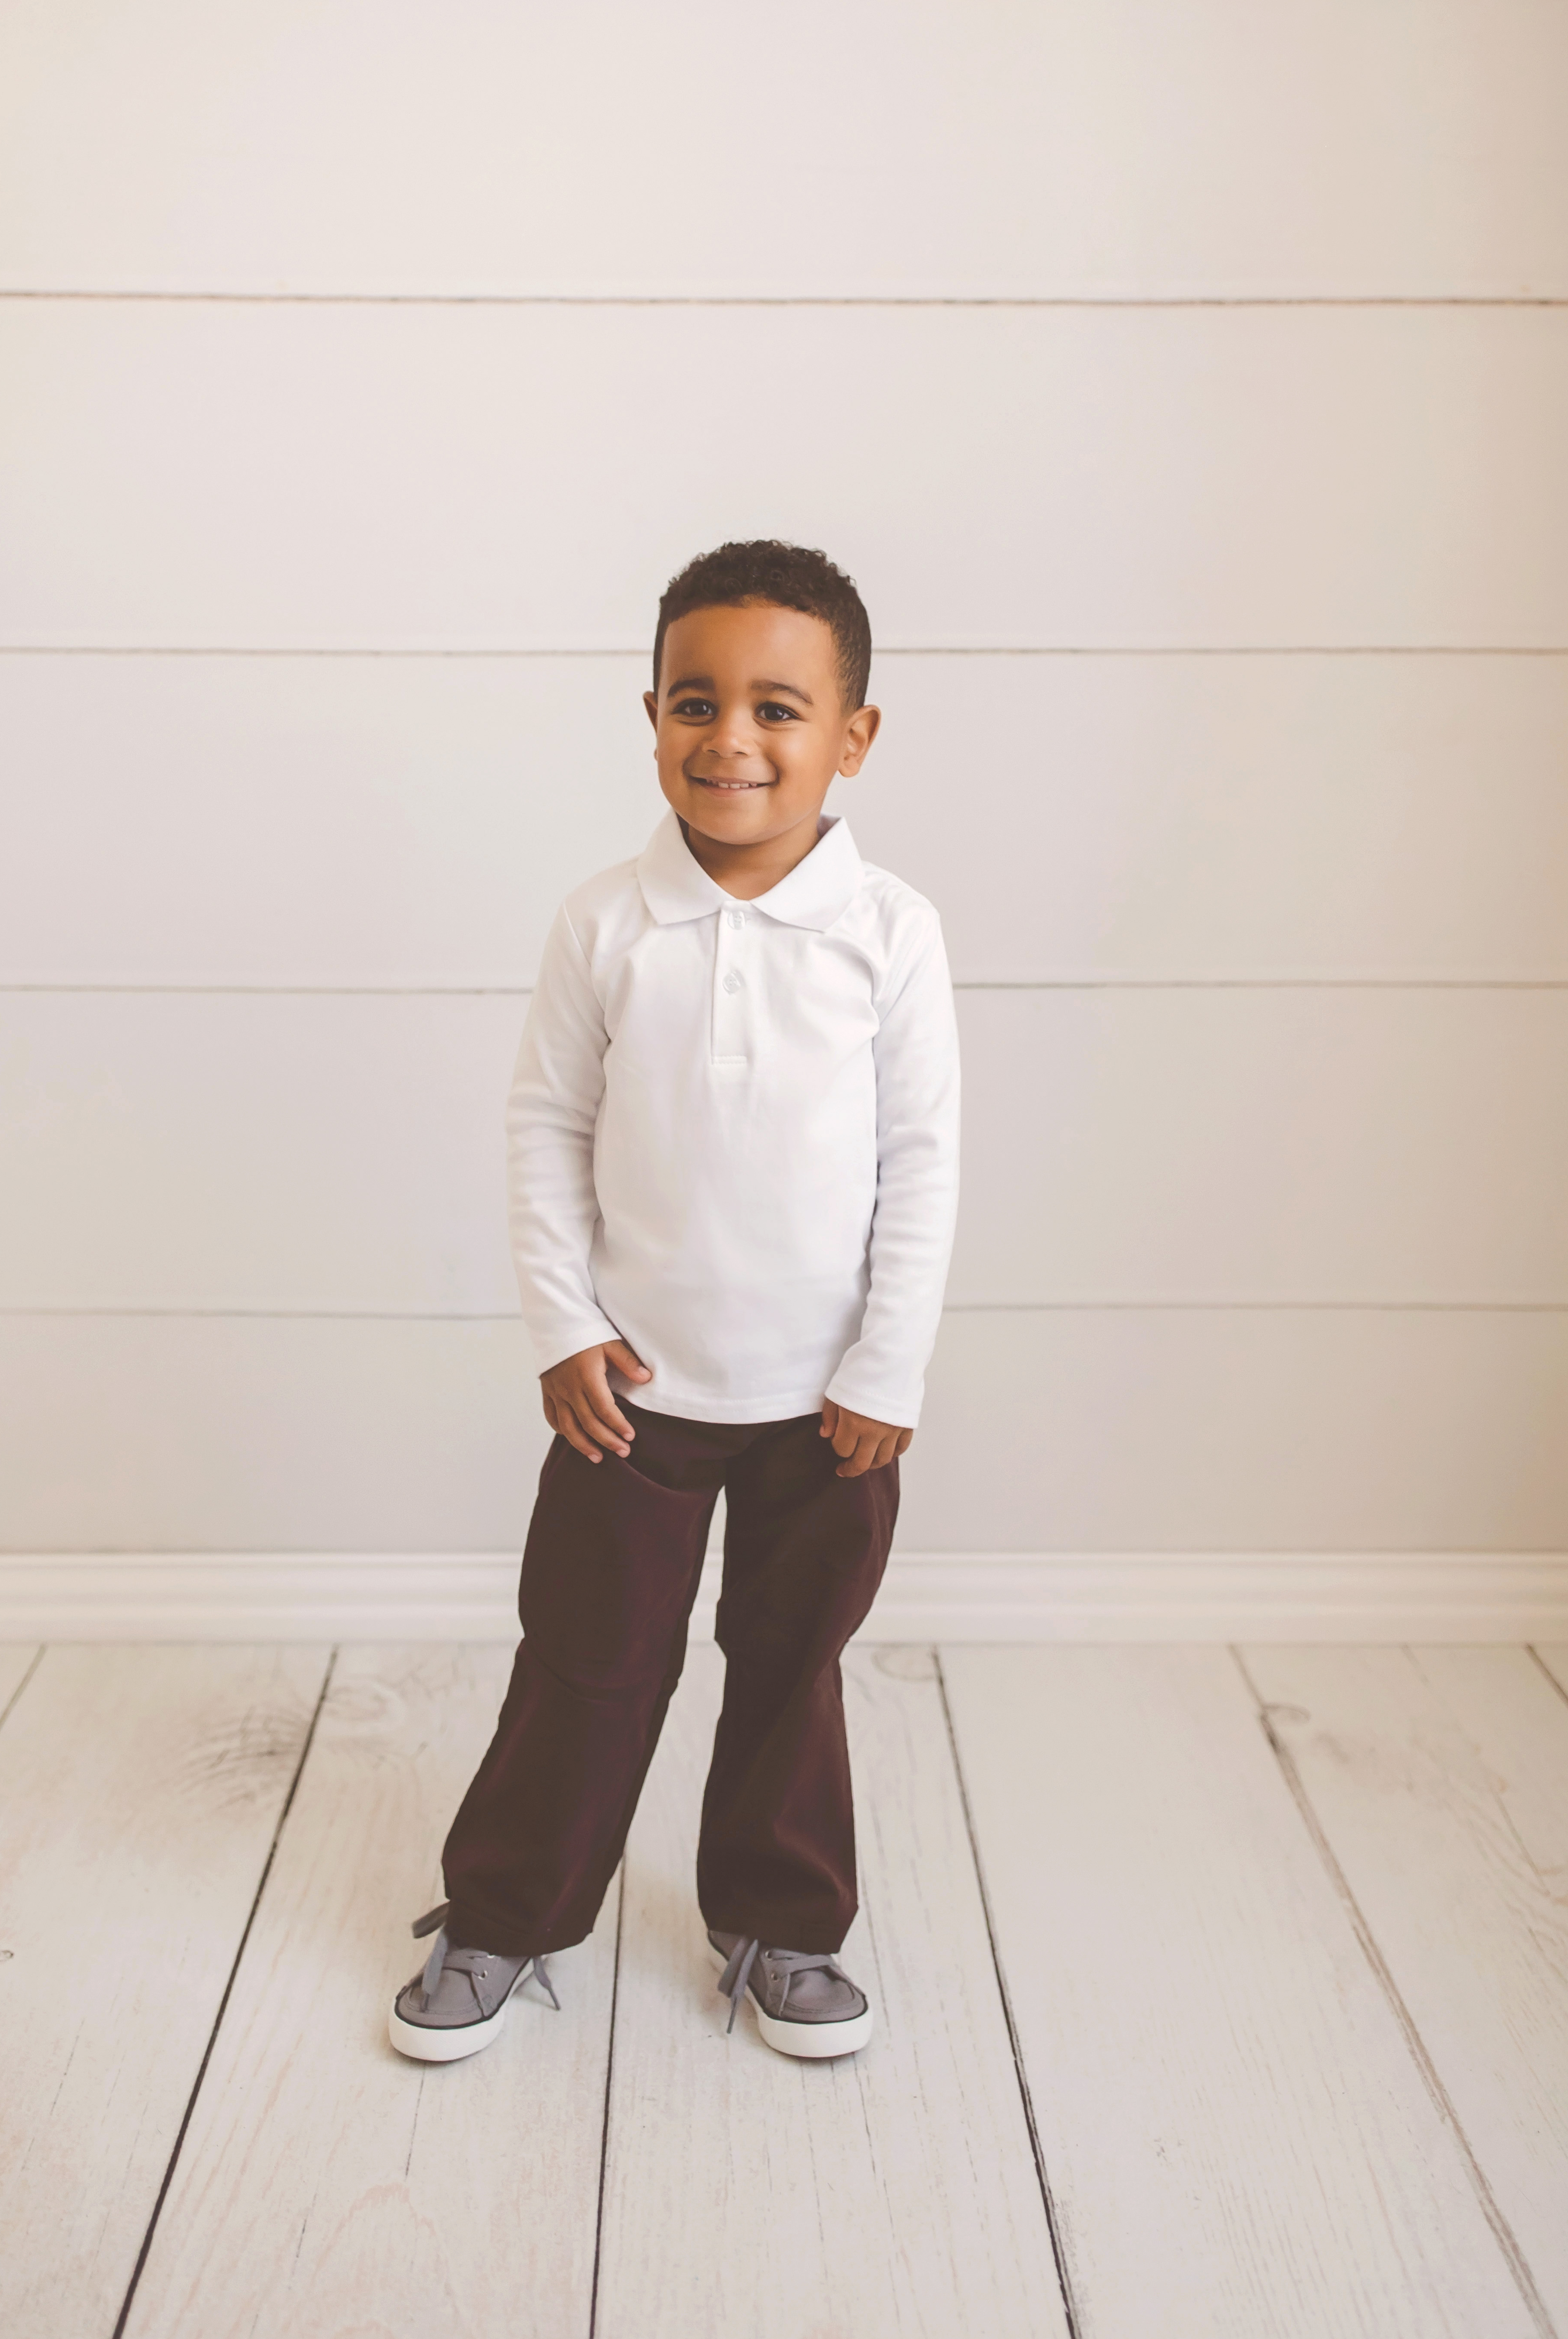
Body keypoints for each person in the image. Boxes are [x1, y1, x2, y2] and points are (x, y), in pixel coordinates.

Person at [389, 539, 960, 2064]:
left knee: (789, 1668)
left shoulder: (889, 932)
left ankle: (781, 1918)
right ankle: (506, 1912)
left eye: (778, 707)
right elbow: (543, 1126)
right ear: (650, 715)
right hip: (631, 1397)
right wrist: (565, 1326)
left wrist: (887, 1365)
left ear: (853, 734)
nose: (731, 738)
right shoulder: (605, 924)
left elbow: (922, 1159)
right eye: (695, 702)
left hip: (826, 1409)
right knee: (586, 1661)